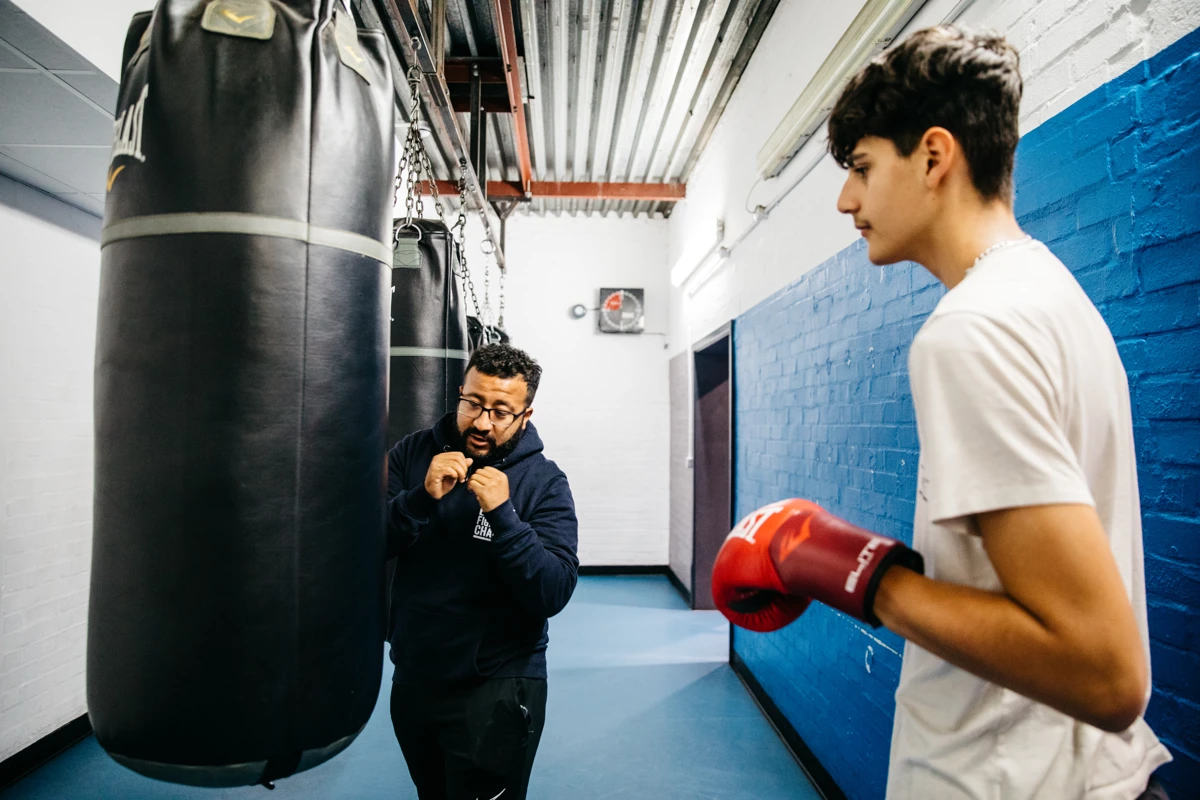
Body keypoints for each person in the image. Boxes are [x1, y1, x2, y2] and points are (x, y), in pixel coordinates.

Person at [710, 25, 1172, 799]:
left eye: (861, 167)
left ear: (933, 156)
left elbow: (1105, 673)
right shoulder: (1051, 295)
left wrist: (853, 570)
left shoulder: (970, 331)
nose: (845, 198)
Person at [385, 343, 579, 800]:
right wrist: (417, 499)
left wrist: (504, 516)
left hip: (497, 684)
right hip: (415, 675)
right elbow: (363, 544)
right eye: (473, 403)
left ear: (525, 415)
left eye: (500, 411)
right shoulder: (413, 454)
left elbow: (553, 590)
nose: (482, 422)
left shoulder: (544, 482)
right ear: (460, 392)